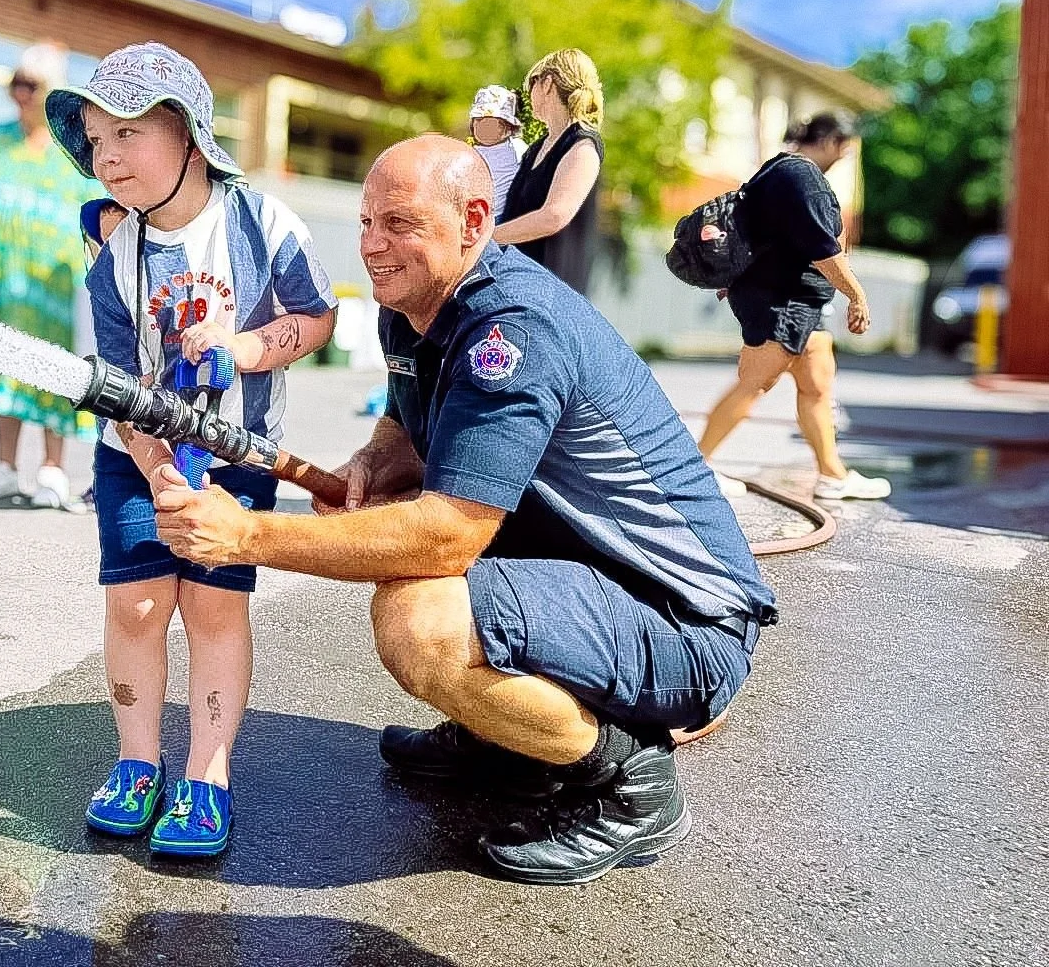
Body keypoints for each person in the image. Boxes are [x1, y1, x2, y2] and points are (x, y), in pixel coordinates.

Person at [153, 134, 775, 886]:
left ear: (474, 221)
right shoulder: (412, 306)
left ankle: (631, 783)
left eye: (401, 224)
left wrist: (248, 534)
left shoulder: (512, 330)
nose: (374, 246)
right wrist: (378, 458)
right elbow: (409, 412)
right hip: (587, 586)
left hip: (682, 621)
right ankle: (509, 741)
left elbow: (448, 536)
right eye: (366, 223)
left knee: (422, 621)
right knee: (417, 590)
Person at [44, 42, 337, 857]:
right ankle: (139, 763)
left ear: (186, 132)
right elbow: (112, 383)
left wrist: (244, 349)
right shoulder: (115, 261)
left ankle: (207, 775)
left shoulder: (263, 222)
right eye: (96, 141)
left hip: (239, 452)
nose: (106, 156)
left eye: (125, 133)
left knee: (213, 607)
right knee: (137, 604)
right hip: (134, 452)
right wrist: (154, 466)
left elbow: (317, 319)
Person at [698, 112, 890, 501]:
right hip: (782, 302)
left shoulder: (777, 170)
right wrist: (857, 294)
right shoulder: (803, 177)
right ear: (832, 141)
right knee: (755, 384)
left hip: (799, 304)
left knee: (817, 385)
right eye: (845, 149)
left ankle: (833, 475)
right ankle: (693, 467)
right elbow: (824, 250)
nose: (844, 157)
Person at [0, 44, 108, 510]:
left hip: (56, 284)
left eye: (32, 85)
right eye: (16, 83)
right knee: (5, 365)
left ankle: (53, 470)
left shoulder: (74, 155)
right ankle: (4, 467)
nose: (21, 93)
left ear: (53, 92)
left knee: (54, 371)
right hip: (3, 276)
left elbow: (102, 213)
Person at [493, 49, 604, 294]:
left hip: (549, 296)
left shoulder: (582, 144)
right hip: (514, 286)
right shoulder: (535, 149)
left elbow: (554, 215)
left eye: (530, 84)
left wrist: (486, 240)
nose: (528, 94)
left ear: (547, 83)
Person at [467, 84, 528, 217]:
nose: (483, 126)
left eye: (491, 122)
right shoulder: (472, 152)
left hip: (504, 215)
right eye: (478, 120)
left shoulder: (517, 148)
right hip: (476, 214)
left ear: (508, 128)